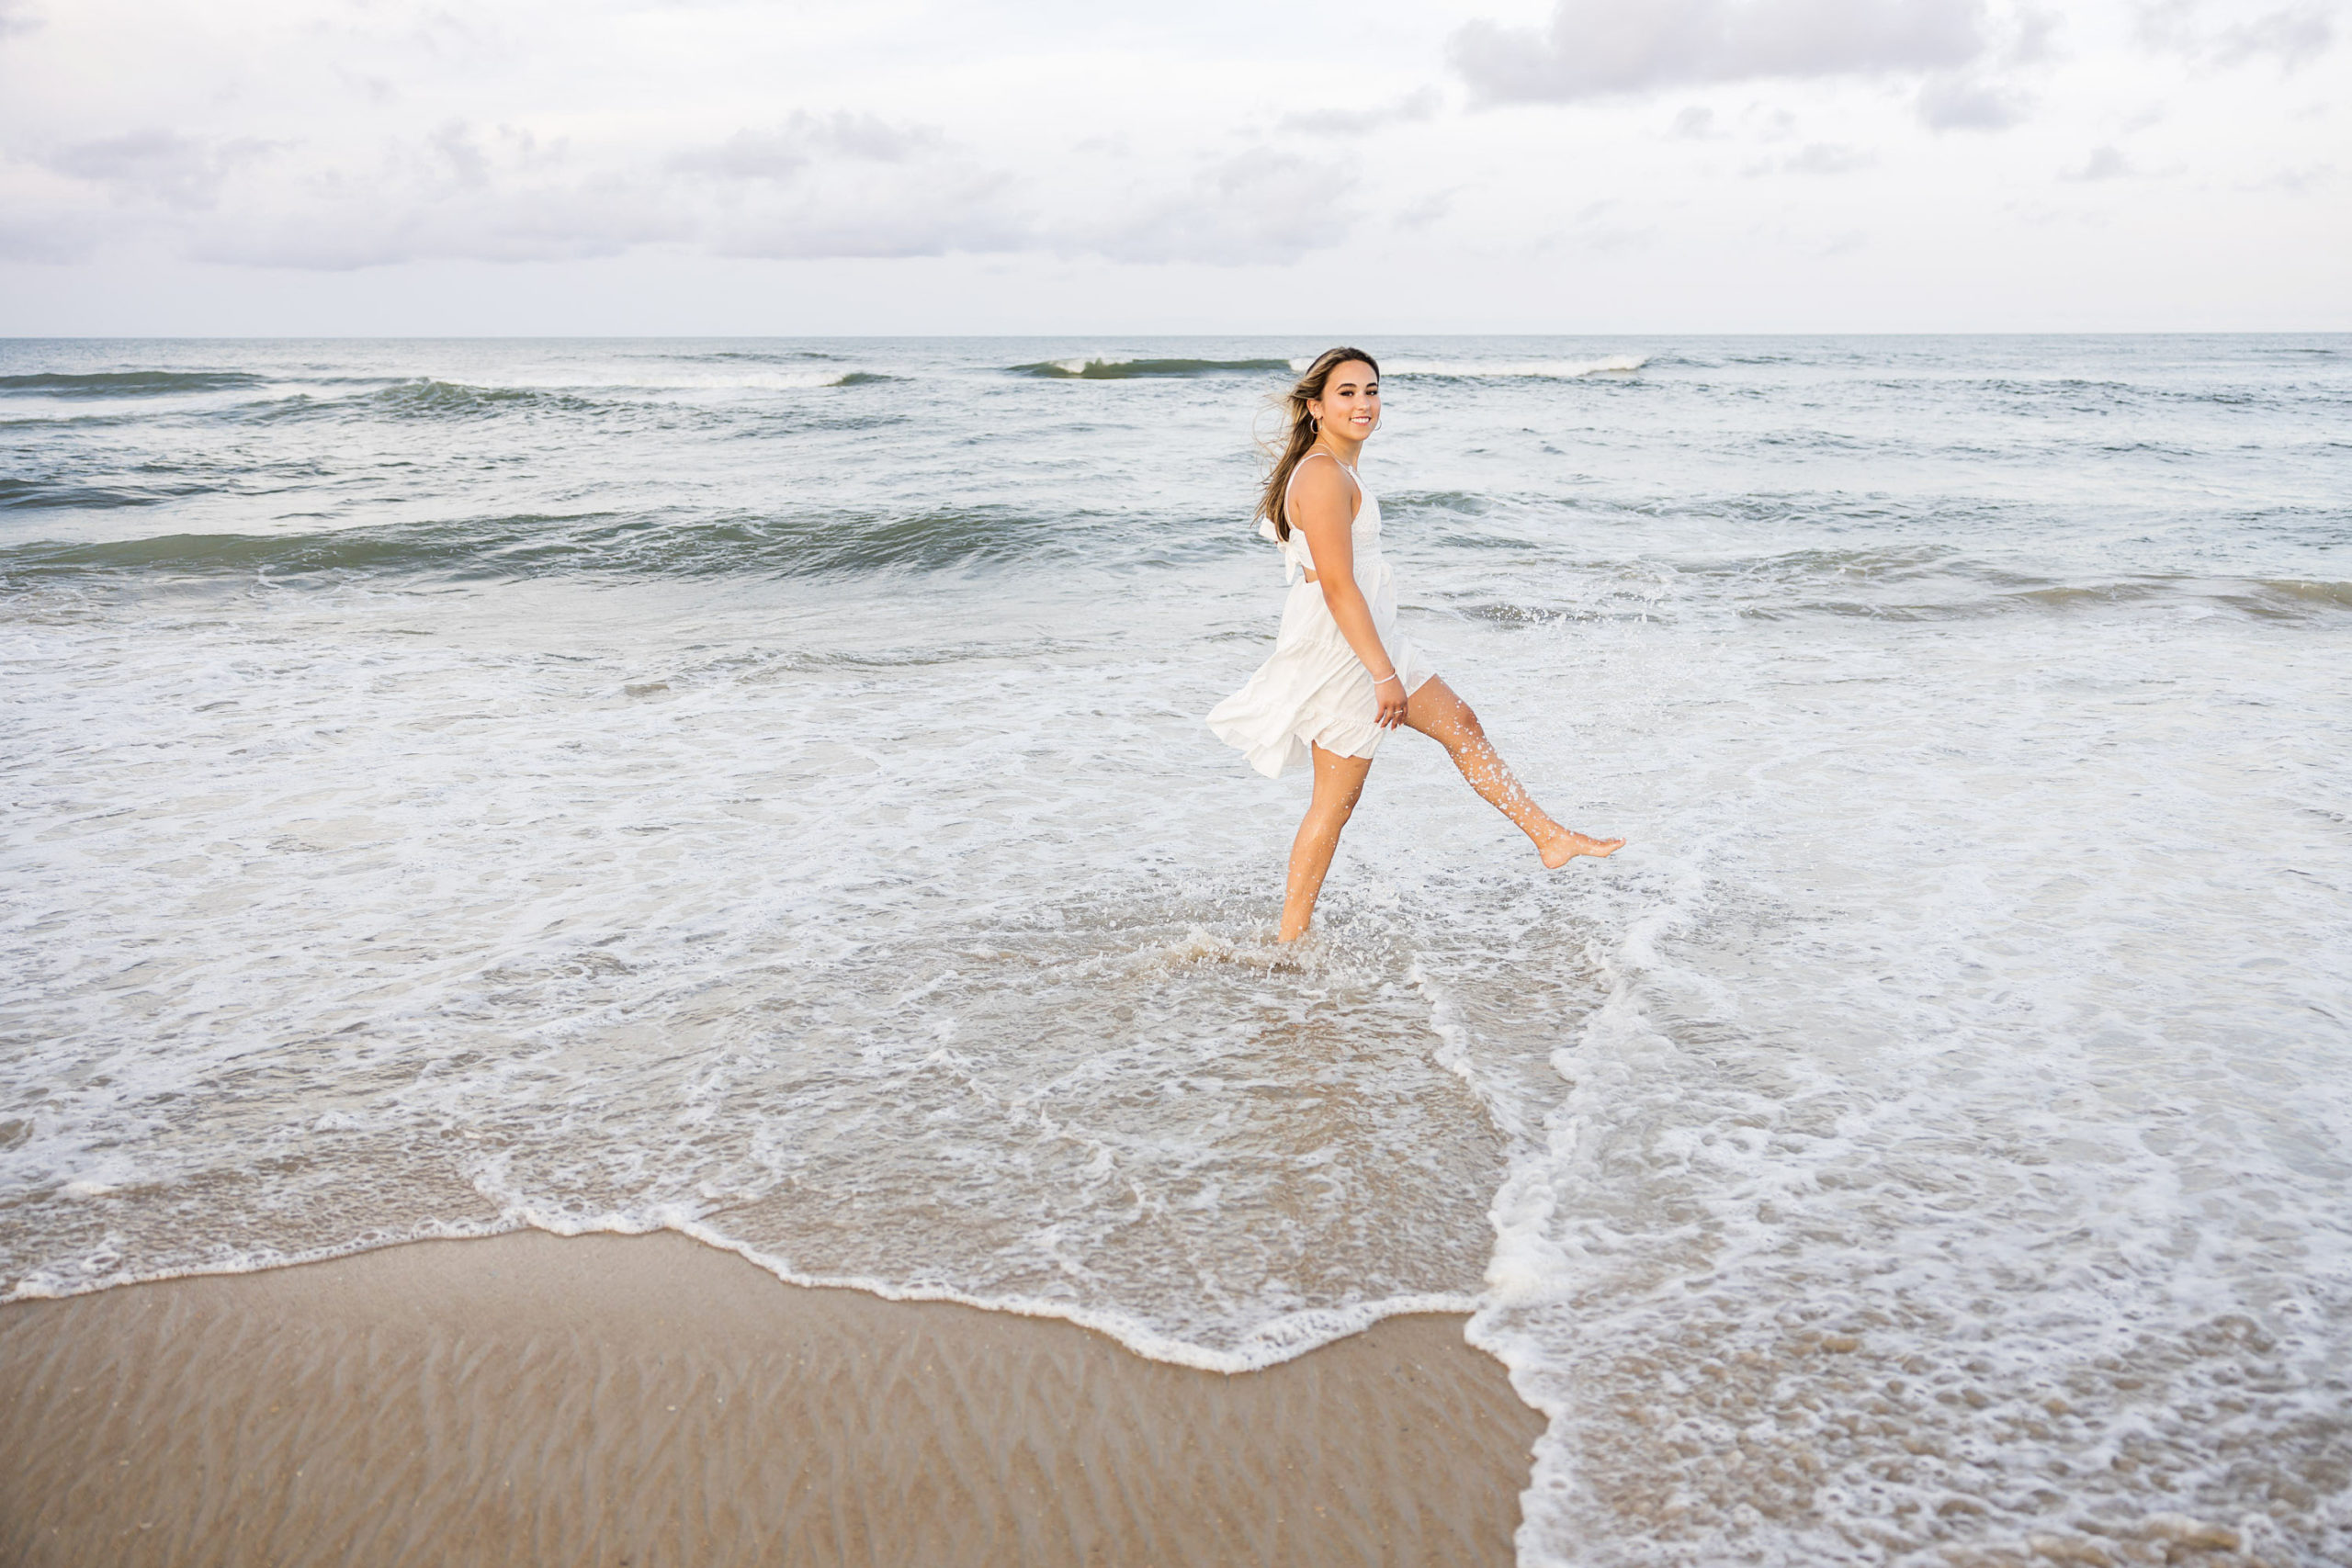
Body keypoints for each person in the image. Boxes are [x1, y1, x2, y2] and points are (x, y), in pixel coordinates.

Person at [1206, 347, 1623, 942]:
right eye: (1346, 392)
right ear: (1315, 405)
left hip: (1371, 639)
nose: (1363, 403)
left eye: (1371, 390)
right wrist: (1382, 672)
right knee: (1335, 802)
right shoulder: (1323, 474)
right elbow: (1339, 587)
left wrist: (1384, 657)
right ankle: (1289, 941)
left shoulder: (1334, 468)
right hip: (1347, 650)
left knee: (1462, 725)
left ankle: (1549, 837)